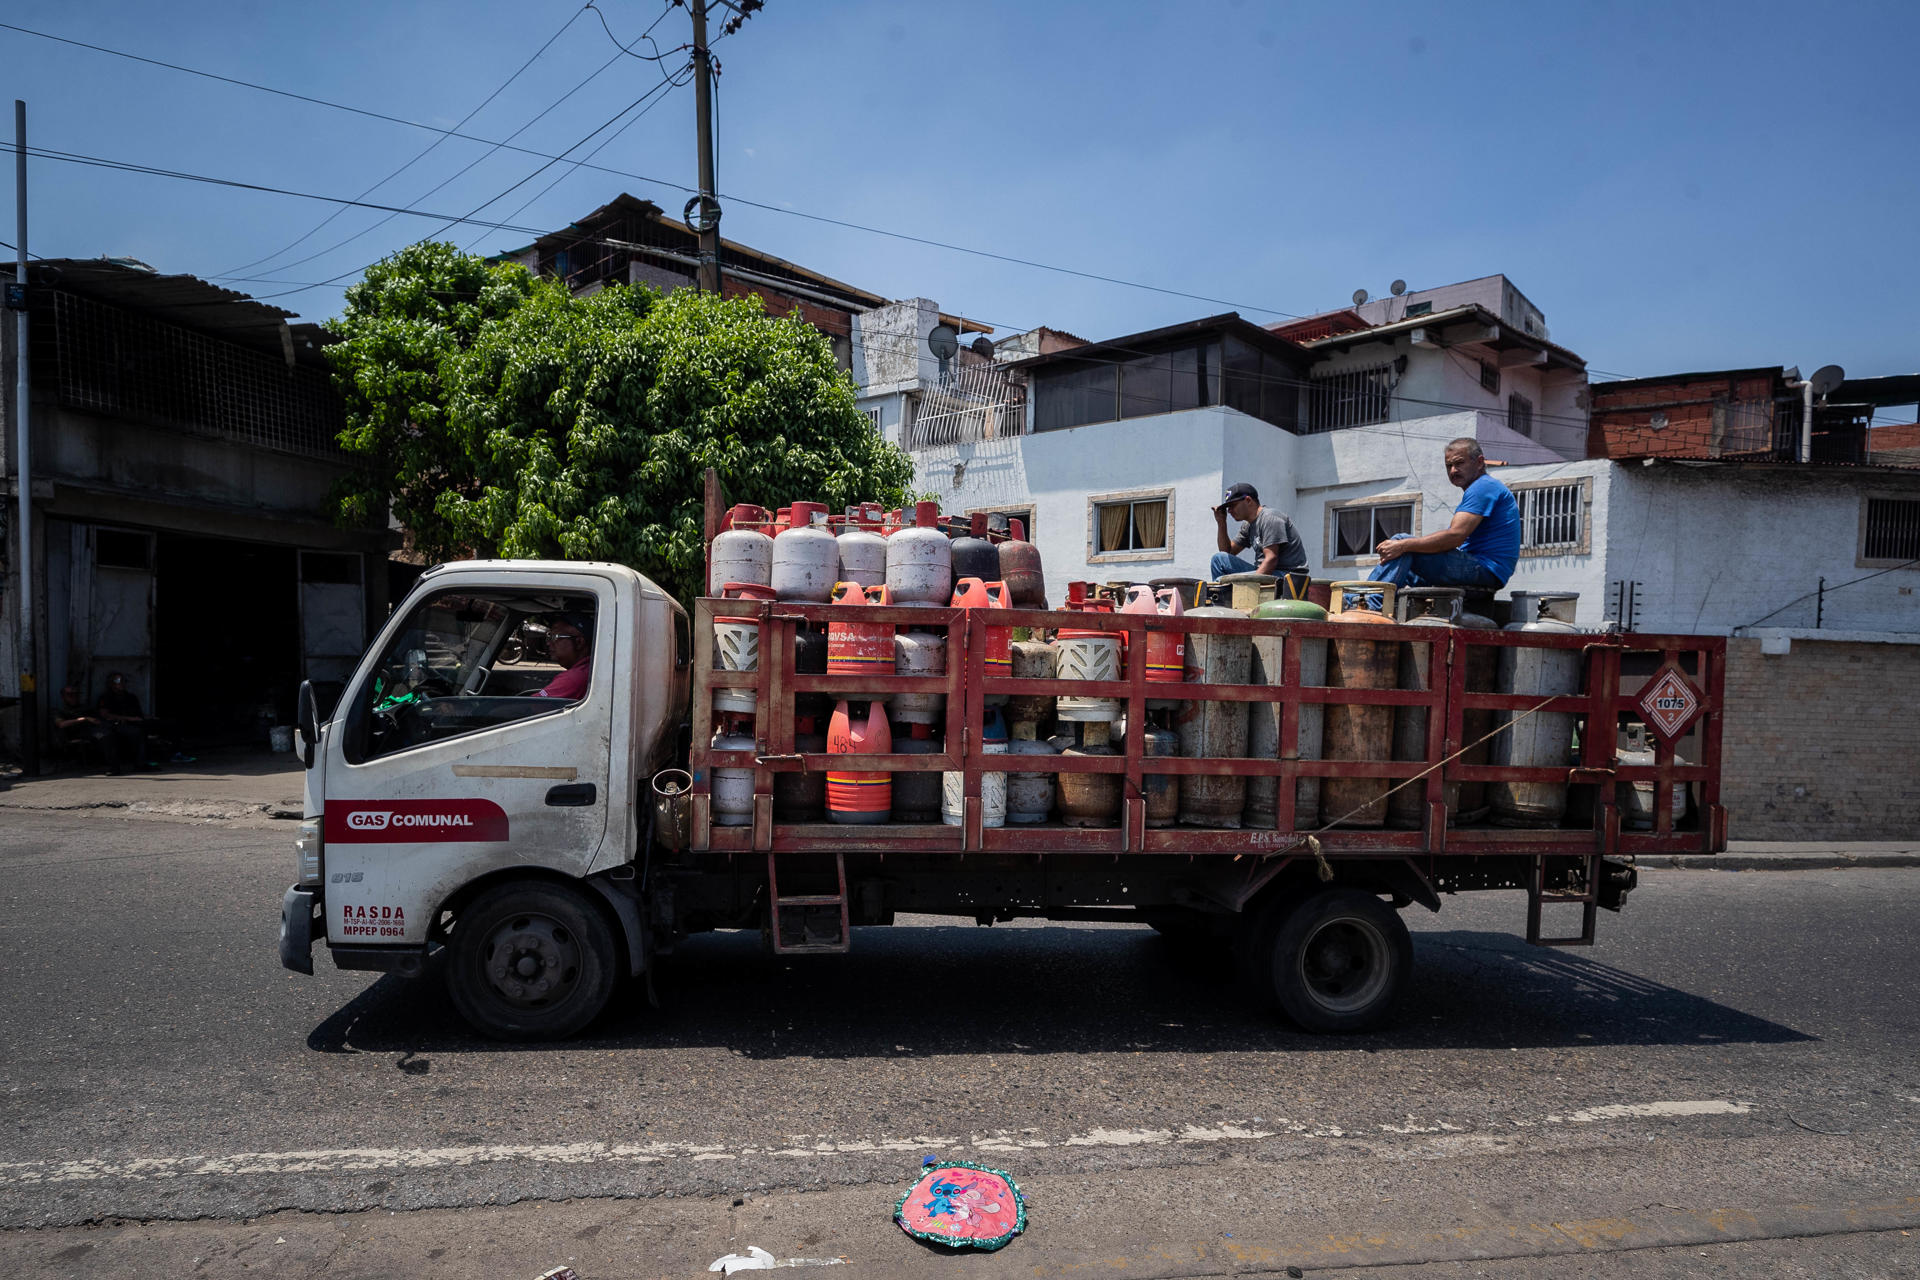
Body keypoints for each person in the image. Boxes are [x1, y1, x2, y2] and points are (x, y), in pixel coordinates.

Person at [1367, 437, 1520, 597]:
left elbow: (1455, 537)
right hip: (1482, 567)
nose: (1453, 470)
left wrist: (1404, 545)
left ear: (1480, 462)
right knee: (1404, 567)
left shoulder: (1483, 487)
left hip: (1485, 569)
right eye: (1449, 466)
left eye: (1459, 463)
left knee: (1402, 543)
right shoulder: (1481, 488)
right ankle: (1365, 600)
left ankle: (1370, 605)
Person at [1210, 482, 1308, 581]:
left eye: (1233, 505)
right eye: (1228, 508)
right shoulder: (1248, 525)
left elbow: (1271, 559)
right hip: (1268, 572)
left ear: (1248, 500)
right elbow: (1228, 551)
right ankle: (1224, 594)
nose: (1229, 511)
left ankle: (1223, 593)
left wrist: (1250, 586)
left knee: (1221, 580)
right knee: (1219, 559)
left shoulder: (1270, 518)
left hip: (1288, 576)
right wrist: (1221, 523)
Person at [53, 683, 150, 775]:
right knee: (107, 736)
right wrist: (83, 719)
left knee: (136, 731)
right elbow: (61, 724)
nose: (74, 697)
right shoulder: (60, 711)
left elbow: (102, 716)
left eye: (76, 694)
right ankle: (114, 768)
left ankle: (140, 764)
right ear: (63, 697)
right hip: (84, 731)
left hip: (102, 725)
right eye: (70, 695)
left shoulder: (86, 707)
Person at [532, 613, 593, 700]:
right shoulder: (589, 669)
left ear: (579, 642)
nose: (548, 643)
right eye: (549, 636)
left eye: (555, 637)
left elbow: (531, 706)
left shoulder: (575, 678)